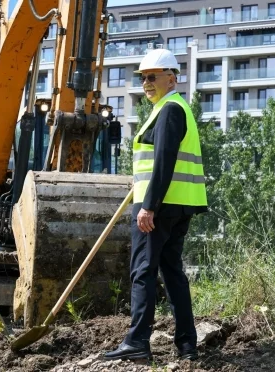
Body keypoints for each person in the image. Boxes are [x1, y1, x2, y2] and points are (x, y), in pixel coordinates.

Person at [103, 49, 208, 362]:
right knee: (172, 272)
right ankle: (187, 345)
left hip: (158, 208)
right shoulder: (172, 107)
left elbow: (164, 159)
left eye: (152, 76)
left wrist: (148, 205)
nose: (146, 83)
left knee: (142, 271)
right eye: (143, 78)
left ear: (171, 78)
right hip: (177, 204)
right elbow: (157, 161)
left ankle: (137, 341)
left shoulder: (169, 109)